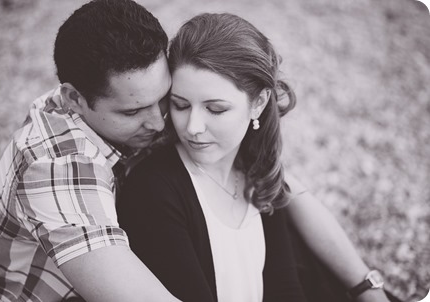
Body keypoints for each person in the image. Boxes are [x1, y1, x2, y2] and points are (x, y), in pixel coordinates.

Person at [118, 12, 398, 302]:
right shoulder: (153, 189)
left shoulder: (256, 174)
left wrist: (369, 289)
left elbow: (285, 290)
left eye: (215, 109)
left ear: (258, 103)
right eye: (180, 105)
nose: (192, 128)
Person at [0, 0, 180, 301]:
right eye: (132, 112)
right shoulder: (54, 164)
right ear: (74, 98)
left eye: (163, 98)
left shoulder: (98, 96)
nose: (158, 123)